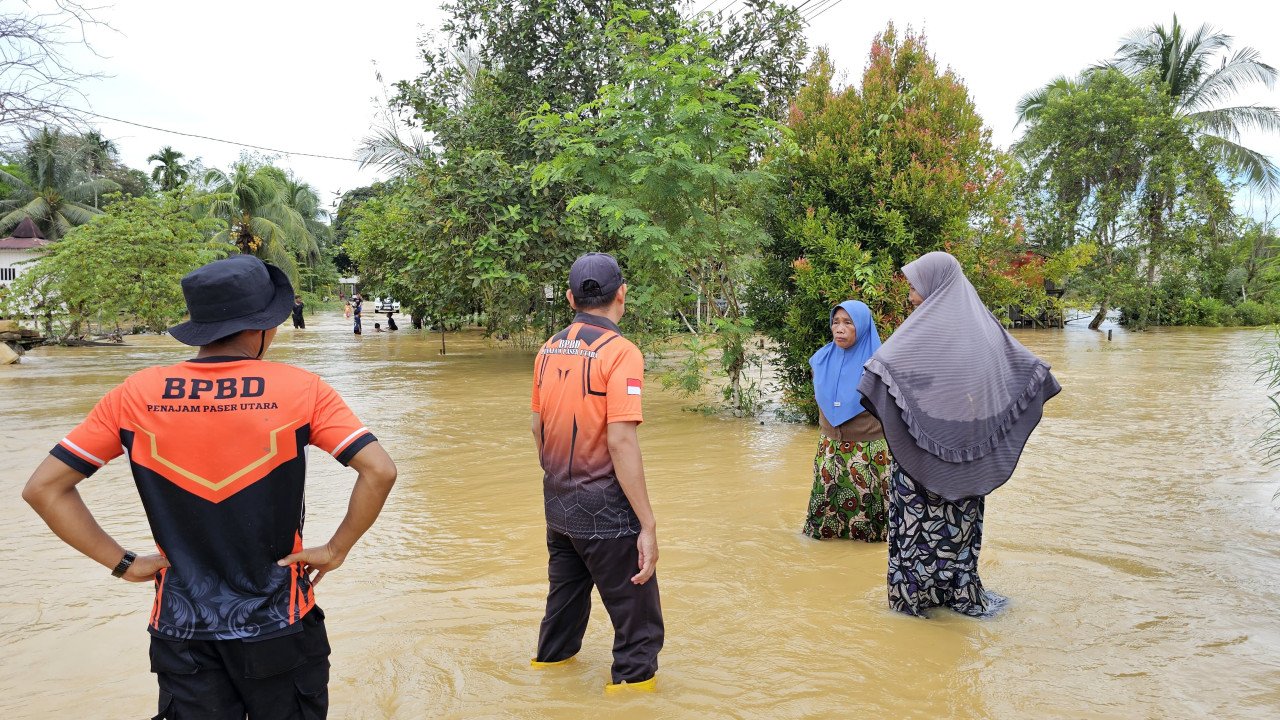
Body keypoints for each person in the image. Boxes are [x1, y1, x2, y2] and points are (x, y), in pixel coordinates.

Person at [21, 255, 398, 718]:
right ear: (261, 327)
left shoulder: (134, 394)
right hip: (280, 621)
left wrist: (123, 564)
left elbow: (43, 489)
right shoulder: (303, 390)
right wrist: (337, 549)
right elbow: (379, 471)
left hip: (181, 630)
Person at [857, 251, 1060, 618]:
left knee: (916, 528)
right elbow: (1012, 364)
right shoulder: (978, 327)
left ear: (936, 282)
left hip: (922, 447)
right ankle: (955, 598)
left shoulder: (923, 330)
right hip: (966, 450)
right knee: (956, 527)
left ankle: (914, 602)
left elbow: (885, 368)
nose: (909, 291)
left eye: (915, 283)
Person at [529, 252, 663, 692]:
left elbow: (538, 426)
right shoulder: (621, 353)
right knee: (638, 629)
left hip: (558, 507)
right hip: (606, 512)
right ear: (622, 294)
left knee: (562, 614)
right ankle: (631, 698)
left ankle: (548, 684)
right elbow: (621, 440)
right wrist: (647, 523)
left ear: (570, 298)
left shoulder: (547, 350)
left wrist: (560, 483)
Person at [803, 300, 891, 541]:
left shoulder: (880, 365)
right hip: (829, 450)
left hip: (869, 454)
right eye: (835, 322)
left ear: (861, 327)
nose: (839, 328)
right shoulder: (820, 360)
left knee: (870, 531)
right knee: (823, 529)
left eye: (848, 323)